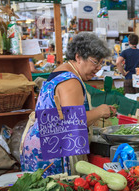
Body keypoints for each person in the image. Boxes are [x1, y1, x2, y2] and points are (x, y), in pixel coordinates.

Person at [20, 32, 116, 176]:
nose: (98, 68)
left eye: (101, 63)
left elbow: (63, 113)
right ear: (78, 57)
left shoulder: (59, 72)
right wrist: (100, 112)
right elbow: (73, 123)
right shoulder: (71, 81)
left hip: (39, 146)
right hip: (53, 153)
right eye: (95, 62)